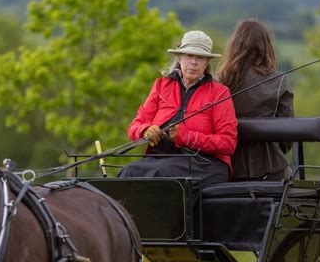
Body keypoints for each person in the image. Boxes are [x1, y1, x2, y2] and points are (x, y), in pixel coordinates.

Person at [118, 30, 237, 187]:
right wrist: (145, 130)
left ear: (207, 62)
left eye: (199, 58)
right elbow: (135, 124)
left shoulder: (219, 93)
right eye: (188, 56)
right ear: (179, 58)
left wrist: (186, 137)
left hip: (204, 164)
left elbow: (228, 143)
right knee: (127, 172)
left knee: (159, 174)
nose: (193, 62)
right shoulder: (161, 86)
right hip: (160, 160)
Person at [217, 18, 294, 181]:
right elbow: (288, 135)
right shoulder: (279, 82)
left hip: (227, 170)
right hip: (273, 170)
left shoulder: (219, 82)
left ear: (235, 46)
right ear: (266, 47)